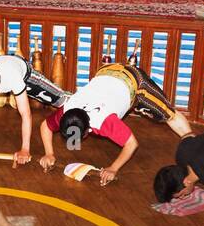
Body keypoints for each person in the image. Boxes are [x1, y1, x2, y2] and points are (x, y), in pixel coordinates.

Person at [39, 60, 181, 183]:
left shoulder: (104, 121)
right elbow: (46, 126)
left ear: (88, 131)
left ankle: (190, 140)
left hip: (132, 78)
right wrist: (49, 153)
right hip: (105, 71)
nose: (75, 140)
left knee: (169, 114)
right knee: (74, 141)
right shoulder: (67, 109)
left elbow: (131, 144)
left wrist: (113, 168)